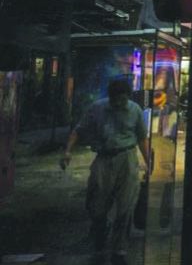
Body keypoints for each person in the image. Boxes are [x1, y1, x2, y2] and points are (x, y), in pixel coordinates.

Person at [60, 77, 149, 265]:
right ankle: (100, 228)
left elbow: (142, 138)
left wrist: (149, 162)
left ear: (127, 97)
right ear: (111, 97)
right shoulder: (97, 108)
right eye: (116, 99)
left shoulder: (134, 110)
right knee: (96, 204)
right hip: (103, 159)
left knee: (125, 207)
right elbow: (79, 130)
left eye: (123, 99)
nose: (119, 103)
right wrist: (67, 151)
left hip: (127, 159)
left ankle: (119, 250)